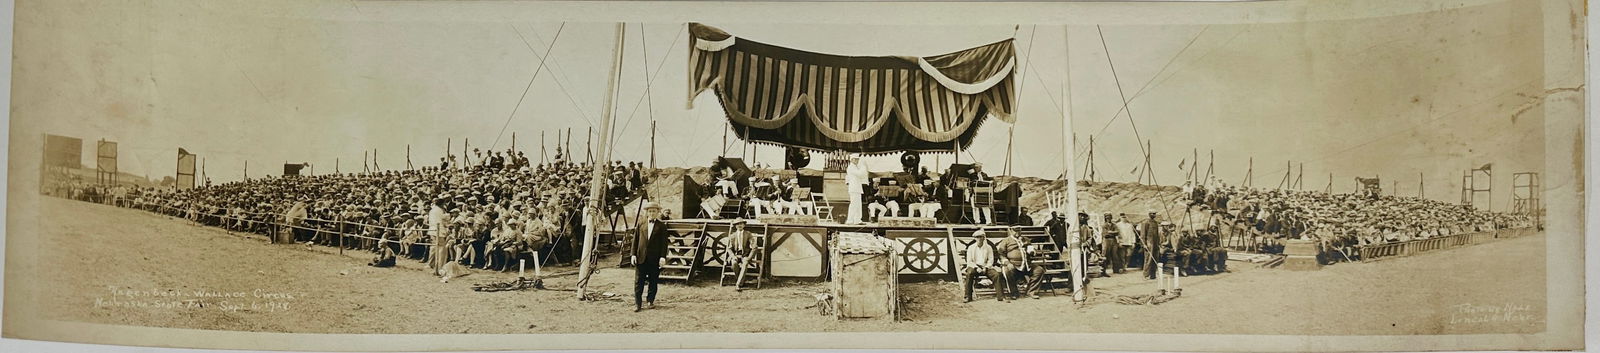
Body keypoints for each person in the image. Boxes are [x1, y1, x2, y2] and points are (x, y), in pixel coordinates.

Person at [633, 201, 670, 312]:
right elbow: (635, 240)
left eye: (654, 211)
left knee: (653, 281)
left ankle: (650, 301)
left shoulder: (661, 226)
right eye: (650, 211)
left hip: (654, 259)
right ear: (647, 212)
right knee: (638, 281)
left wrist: (663, 257)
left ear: (658, 212)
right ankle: (638, 304)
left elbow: (664, 243)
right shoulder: (641, 223)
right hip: (641, 257)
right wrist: (633, 254)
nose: (652, 213)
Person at [961, 230, 1005, 302]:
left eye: (981, 237)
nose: (979, 239)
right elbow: (969, 261)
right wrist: (976, 267)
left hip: (986, 267)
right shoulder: (971, 248)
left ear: (984, 238)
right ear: (975, 238)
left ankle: (1000, 296)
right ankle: (967, 296)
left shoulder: (988, 247)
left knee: (996, 275)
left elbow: (991, 260)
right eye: (977, 237)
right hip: (974, 266)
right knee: (969, 274)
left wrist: (986, 267)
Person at [993, 226, 1028, 300]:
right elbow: (1001, 254)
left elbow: (1031, 249)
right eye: (1015, 231)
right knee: (1007, 271)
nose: (1017, 233)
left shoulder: (1025, 239)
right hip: (1012, 264)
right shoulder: (1006, 240)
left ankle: (1032, 291)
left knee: (1039, 270)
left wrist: (1032, 251)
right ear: (1011, 231)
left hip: (1026, 264)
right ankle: (1014, 293)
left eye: (1019, 231)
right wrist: (1007, 263)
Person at [726, 220, 757, 290]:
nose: (739, 225)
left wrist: (749, 257)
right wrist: (733, 256)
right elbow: (729, 248)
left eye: (741, 224)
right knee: (734, 264)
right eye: (737, 224)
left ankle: (738, 284)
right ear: (735, 226)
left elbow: (754, 247)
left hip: (745, 255)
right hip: (736, 255)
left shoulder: (748, 234)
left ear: (744, 225)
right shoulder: (732, 236)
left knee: (745, 263)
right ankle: (741, 281)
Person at [845, 155, 868, 224]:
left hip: (857, 188)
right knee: (854, 204)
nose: (857, 161)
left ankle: (857, 220)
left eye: (857, 159)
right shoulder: (851, 167)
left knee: (858, 205)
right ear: (852, 160)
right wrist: (863, 166)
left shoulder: (855, 167)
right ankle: (850, 220)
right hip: (854, 188)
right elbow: (860, 174)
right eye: (855, 159)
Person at [1140, 211, 1163, 280]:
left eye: (1155, 214)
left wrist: (1159, 243)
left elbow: (1157, 234)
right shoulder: (1145, 222)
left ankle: (1153, 275)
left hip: (1155, 243)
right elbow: (1143, 234)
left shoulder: (1155, 223)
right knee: (1148, 259)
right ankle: (1145, 275)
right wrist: (1144, 244)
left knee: (1155, 258)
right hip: (1149, 242)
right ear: (1149, 214)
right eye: (1152, 213)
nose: (1154, 215)